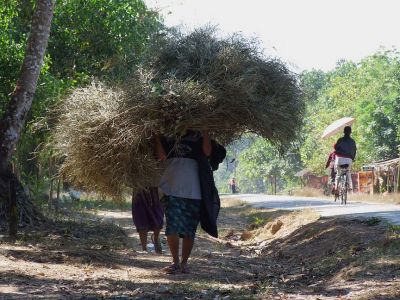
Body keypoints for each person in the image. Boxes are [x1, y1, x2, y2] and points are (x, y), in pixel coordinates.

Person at [154, 130, 225, 274]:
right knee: (172, 226)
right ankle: (175, 262)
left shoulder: (199, 135)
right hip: (170, 188)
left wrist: (206, 130)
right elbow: (161, 157)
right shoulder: (168, 135)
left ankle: (184, 263)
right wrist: (156, 136)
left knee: (189, 230)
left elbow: (207, 153)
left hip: (194, 191)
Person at [131, 187, 164, 254]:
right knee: (141, 219)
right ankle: (144, 248)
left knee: (158, 219)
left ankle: (156, 238)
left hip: (155, 192)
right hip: (139, 193)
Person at [334, 126, 357, 191]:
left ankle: (336, 189)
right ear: (350, 132)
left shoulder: (340, 140)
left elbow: (336, 148)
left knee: (338, 174)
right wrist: (352, 158)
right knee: (348, 172)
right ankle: (350, 187)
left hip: (340, 159)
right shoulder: (352, 141)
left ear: (344, 132)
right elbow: (354, 151)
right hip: (349, 160)